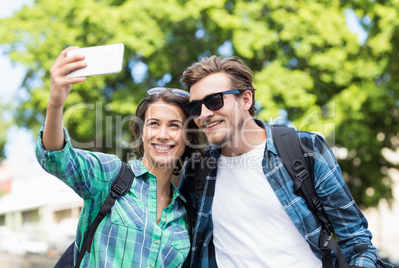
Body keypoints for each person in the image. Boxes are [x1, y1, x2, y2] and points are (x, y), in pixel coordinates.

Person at [178, 55, 392, 268]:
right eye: (195, 107)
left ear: (245, 100)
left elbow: (356, 241)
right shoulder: (197, 170)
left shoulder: (305, 148)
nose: (204, 114)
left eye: (214, 101)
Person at [35, 46, 201, 267]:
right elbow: (57, 158)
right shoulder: (111, 175)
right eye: (153, 124)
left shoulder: (185, 213)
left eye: (174, 126)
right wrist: (55, 104)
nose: (163, 135)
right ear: (141, 132)